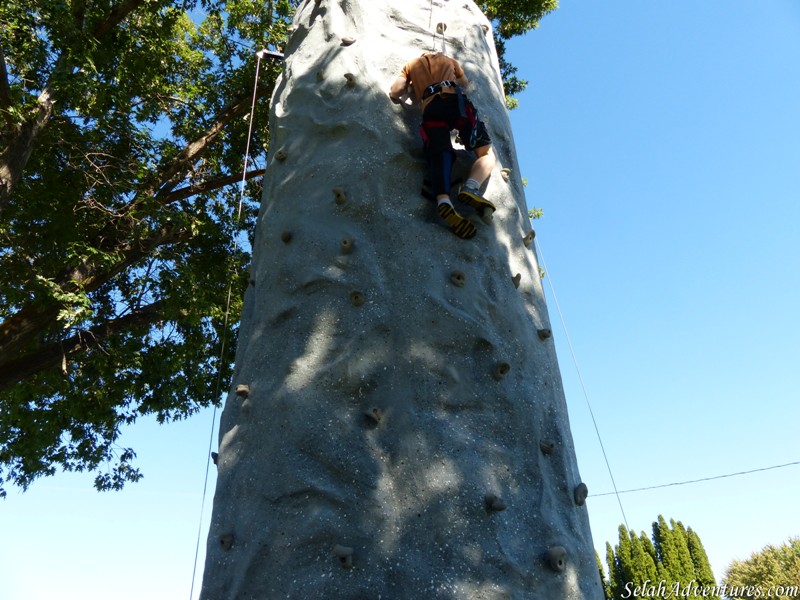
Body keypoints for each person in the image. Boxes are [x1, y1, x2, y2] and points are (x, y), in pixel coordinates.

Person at [389, 51, 496, 240]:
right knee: (486, 153)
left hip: (431, 108)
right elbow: (465, 84)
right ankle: (471, 187)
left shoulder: (411, 65)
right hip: (457, 104)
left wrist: (410, 85)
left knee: (440, 152)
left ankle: (443, 200)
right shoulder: (449, 60)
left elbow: (396, 91)